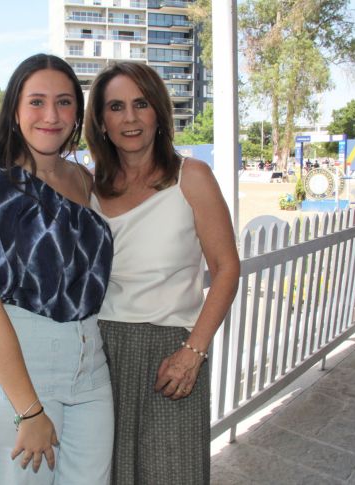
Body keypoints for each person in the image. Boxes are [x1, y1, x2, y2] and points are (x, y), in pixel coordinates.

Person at [0, 53, 115, 484]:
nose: (51, 115)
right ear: (15, 111)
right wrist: (29, 410)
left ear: (78, 113)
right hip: (21, 370)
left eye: (64, 102)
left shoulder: (86, 180)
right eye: (36, 101)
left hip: (89, 366)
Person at [83, 61, 240, 484]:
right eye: (116, 107)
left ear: (159, 113)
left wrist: (194, 351)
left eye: (141, 103)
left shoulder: (192, 178)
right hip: (101, 352)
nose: (130, 118)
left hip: (172, 354)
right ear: (100, 120)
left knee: (173, 473)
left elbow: (226, 268)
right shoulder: (87, 187)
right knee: (108, 474)